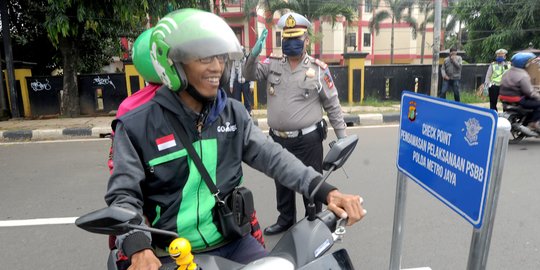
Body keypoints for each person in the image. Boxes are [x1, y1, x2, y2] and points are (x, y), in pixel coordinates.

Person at [105, 8, 366, 270]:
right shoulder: (136, 127)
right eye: (203, 58)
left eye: (219, 57)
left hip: (232, 243)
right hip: (167, 250)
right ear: (172, 63)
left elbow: (274, 157)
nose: (217, 66)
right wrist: (139, 246)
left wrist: (326, 191)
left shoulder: (232, 114)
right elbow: (123, 196)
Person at [242, 12, 349, 236]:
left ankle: (314, 220)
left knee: (313, 183)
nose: (291, 42)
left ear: (306, 40)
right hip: (278, 138)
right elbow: (248, 73)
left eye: (296, 38)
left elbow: (332, 104)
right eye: (287, 38)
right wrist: (252, 55)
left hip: (308, 139)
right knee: (282, 181)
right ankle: (286, 219)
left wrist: (343, 139)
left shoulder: (319, 70)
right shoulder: (272, 64)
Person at [499, 52, 540, 131]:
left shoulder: (506, 73)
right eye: (530, 62)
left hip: (504, 99)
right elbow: (530, 92)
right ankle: (534, 123)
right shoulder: (523, 75)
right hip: (517, 100)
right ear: (524, 63)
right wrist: (538, 96)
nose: (531, 64)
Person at [229, 47, 255, 115]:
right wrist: (231, 85)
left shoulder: (247, 61)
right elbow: (232, 73)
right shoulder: (235, 61)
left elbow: (251, 72)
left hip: (246, 82)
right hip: (237, 83)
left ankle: (248, 112)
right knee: (237, 100)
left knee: (247, 99)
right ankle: (239, 113)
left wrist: (252, 85)